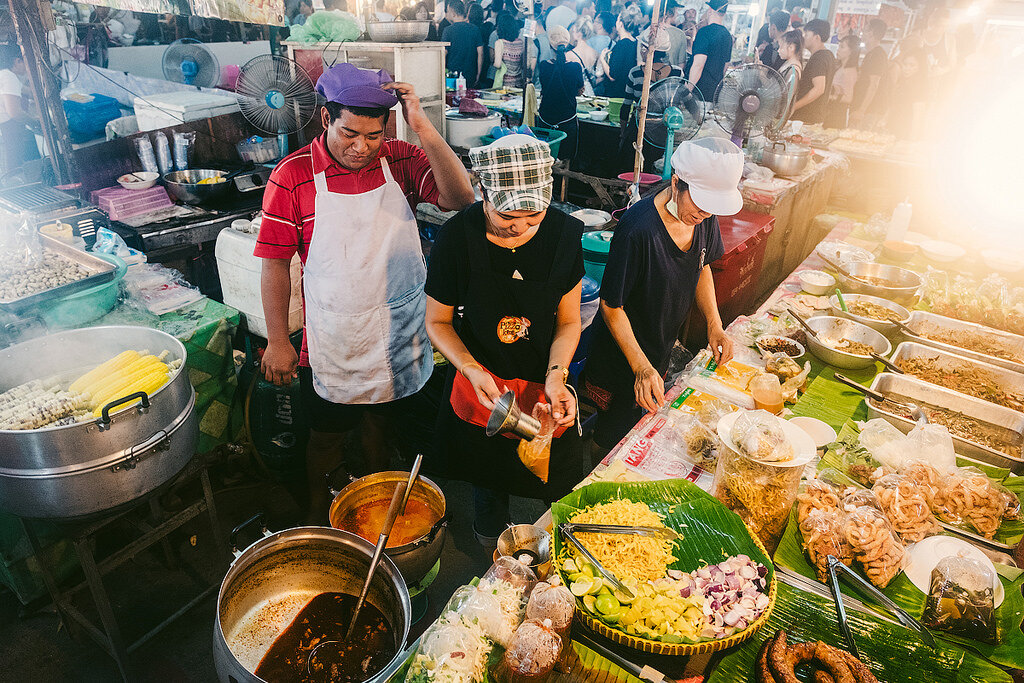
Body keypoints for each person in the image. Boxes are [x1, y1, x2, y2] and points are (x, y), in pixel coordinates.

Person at [256, 64, 474, 523]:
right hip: (337, 337)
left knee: (383, 422)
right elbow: (275, 264)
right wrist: (278, 340)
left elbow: (460, 199)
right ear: (325, 120)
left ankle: (375, 501)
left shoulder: (400, 159)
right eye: (349, 133)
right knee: (327, 436)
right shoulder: (292, 176)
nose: (362, 148)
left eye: (373, 135)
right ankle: (321, 511)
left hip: (399, 329)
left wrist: (424, 128)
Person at [425, 135, 588, 543]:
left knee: (557, 479)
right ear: (483, 191)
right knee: (488, 478)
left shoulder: (564, 235)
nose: (520, 227)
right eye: (507, 216)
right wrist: (470, 368)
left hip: (542, 383)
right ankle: (489, 549)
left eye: (533, 217)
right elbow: (438, 322)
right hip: (483, 383)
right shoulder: (456, 240)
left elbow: (569, 322)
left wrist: (557, 375)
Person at [584, 138, 741, 455]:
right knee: (611, 440)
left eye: (711, 208)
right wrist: (641, 369)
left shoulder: (702, 217)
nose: (704, 215)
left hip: (658, 350)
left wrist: (714, 323)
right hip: (621, 360)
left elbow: (703, 264)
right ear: (676, 183)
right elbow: (612, 307)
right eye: (698, 204)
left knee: (639, 431)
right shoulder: (637, 230)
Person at [538, 25, 585, 160]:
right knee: (567, 160)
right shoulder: (575, 67)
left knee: (545, 160)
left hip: (545, 120)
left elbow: (545, 87)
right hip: (567, 122)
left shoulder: (544, 66)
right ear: (567, 43)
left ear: (550, 45)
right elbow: (580, 90)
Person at [0, 44, 38, 174]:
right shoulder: (8, 76)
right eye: (25, 61)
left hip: (6, 129)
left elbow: (24, 90)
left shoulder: (5, 75)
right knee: (12, 171)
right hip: (8, 129)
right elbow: (14, 112)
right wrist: (36, 123)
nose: (27, 67)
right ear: (17, 61)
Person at [790, 18, 835, 124]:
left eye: (806, 34)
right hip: (814, 115)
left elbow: (819, 88)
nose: (803, 37)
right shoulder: (828, 55)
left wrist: (794, 107)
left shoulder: (820, 57)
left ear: (817, 37)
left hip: (808, 117)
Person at [687, 0, 733, 101]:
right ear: (724, 13)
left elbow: (698, 65)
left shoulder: (704, 32)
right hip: (715, 93)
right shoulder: (728, 36)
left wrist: (688, 90)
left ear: (710, 10)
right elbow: (725, 67)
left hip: (699, 92)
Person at [850, 18, 888, 129]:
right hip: (864, 108)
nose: (862, 33)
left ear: (871, 33)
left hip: (869, 110)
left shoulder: (878, 55)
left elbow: (874, 85)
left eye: (865, 30)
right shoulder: (871, 54)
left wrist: (862, 110)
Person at [597, 5, 643, 97]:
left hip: (617, 94)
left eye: (617, 20)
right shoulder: (636, 42)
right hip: (629, 92)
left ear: (621, 24)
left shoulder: (621, 45)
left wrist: (602, 59)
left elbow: (612, 76)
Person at [442, 0, 484, 87]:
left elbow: (443, 54)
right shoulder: (475, 29)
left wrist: (442, 74)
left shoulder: (448, 30)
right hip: (471, 74)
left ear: (453, 13)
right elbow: (481, 53)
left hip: (452, 75)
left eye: (448, 11)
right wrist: (479, 74)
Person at [826, 34, 859, 128]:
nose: (838, 49)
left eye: (842, 47)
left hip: (837, 112)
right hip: (832, 109)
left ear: (851, 51)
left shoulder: (849, 71)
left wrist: (830, 97)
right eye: (839, 46)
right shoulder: (840, 67)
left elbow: (848, 97)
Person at [492, 12, 527, 88]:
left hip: (504, 84)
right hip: (518, 82)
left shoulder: (499, 43)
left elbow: (497, 64)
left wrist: (493, 62)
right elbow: (523, 64)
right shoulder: (520, 42)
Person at [776, 28, 802, 119]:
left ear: (791, 47)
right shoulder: (788, 64)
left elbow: (783, 97)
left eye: (781, 47)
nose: (778, 50)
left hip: (779, 117)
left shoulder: (793, 70)